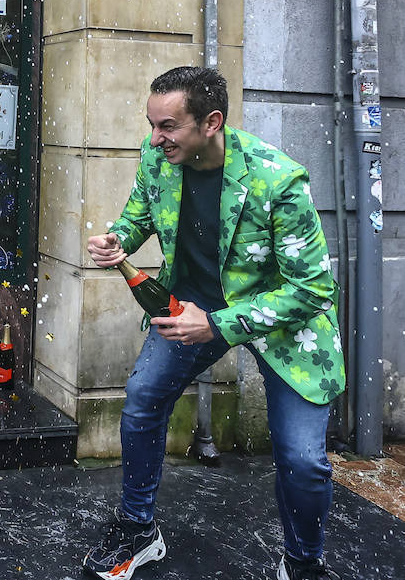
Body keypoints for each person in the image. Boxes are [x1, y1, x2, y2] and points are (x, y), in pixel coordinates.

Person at [81, 66, 345, 580]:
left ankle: (303, 563)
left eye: (168, 127)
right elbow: (140, 215)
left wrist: (220, 324)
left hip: (282, 324)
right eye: (152, 125)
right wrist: (118, 240)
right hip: (190, 305)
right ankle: (138, 530)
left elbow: (313, 290)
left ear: (211, 122)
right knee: (142, 400)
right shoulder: (157, 158)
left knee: (304, 461)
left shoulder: (278, 179)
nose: (155, 139)